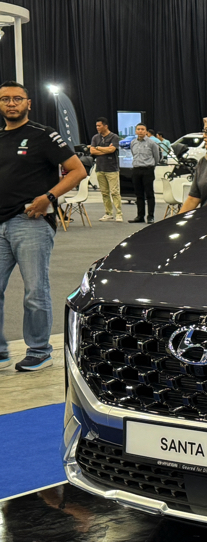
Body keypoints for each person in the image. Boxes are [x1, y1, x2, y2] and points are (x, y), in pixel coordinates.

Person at [0, 81, 87, 372]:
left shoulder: (44, 135)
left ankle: (39, 351)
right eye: (5, 99)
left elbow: (77, 171)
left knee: (35, 291)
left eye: (17, 99)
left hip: (31, 223)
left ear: (28, 103)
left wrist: (49, 197)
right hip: (0, 224)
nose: (11, 103)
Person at [90, 116, 122, 222]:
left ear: (105, 126)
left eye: (99, 126)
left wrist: (98, 148)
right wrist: (105, 149)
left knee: (114, 192)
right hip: (100, 168)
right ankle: (108, 213)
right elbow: (92, 151)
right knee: (104, 192)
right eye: (96, 126)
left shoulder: (114, 137)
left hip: (112, 169)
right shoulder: (95, 137)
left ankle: (119, 213)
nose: (97, 127)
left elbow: (112, 150)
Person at [129, 123, 161, 223]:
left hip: (148, 170)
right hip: (136, 169)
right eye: (138, 129)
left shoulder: (152, 143)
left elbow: (156, 157)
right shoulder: (133, 143)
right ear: (136, 131)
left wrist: (151, 167)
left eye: (142, 129)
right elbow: (133, 154)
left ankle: (150, 216)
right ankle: (140, 216)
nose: (140, 131)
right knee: (139, 195)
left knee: (149, 194)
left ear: (146, 131)